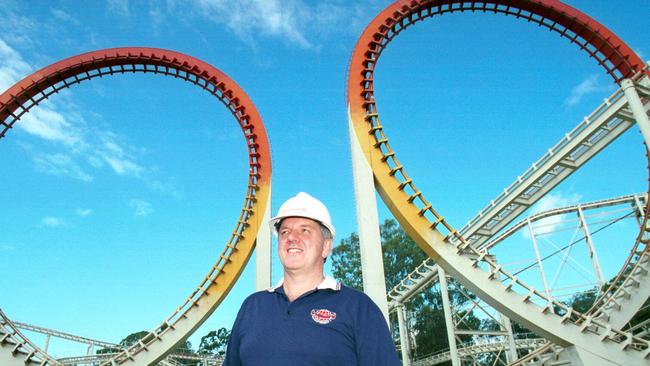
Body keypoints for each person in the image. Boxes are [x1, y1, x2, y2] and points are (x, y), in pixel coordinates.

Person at [223, 192, 401, 366]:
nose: (292, 237)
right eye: (284, 232)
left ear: (326, 246)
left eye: (305, 231)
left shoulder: (358, 308)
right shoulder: (252, 307)